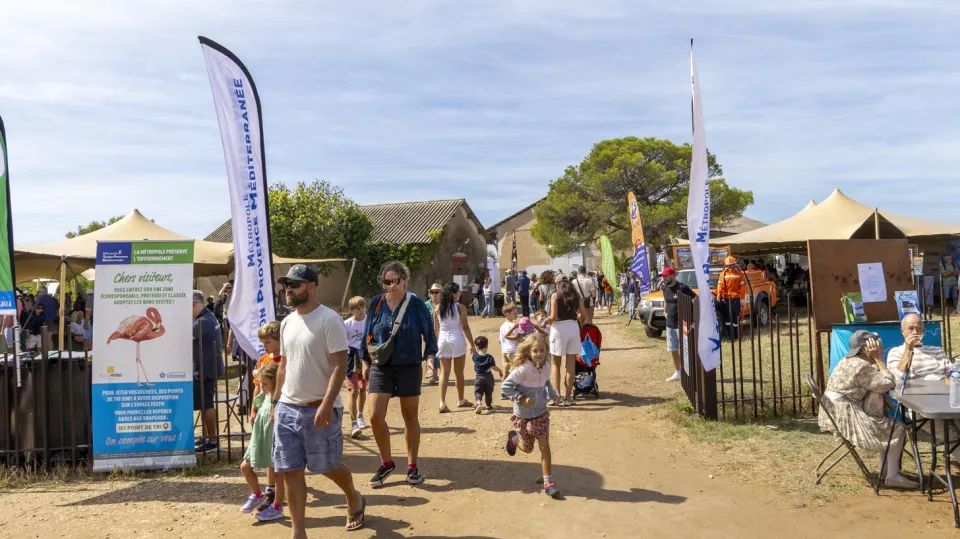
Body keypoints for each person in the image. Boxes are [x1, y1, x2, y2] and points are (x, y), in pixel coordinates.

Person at [272, 264, 365, 534]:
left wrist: (326, 404)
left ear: (311, 287)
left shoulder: (329, 320)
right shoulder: (287, 322)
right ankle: (298, 531)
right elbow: (283, 366)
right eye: (286, 285)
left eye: (294, 285)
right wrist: (276, 403)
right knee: (290, 470)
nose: (288, 290)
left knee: (327, 466)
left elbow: (340, 365)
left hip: (319, 409)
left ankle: (353, 496)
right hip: (288, 408)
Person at [361, 261, 437, 489]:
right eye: (387, 281)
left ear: (404, 280)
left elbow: (429, 334)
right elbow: (367, 335)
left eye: (395, 280)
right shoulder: (376, 303)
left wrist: (430, 359)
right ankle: (387, 463)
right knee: (374, 415)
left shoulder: (416, 305)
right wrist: (364, 362)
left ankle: (412, 466)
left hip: (409, 365)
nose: (391, 285)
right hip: (381, 366)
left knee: (410, 416)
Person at [817, 331, 918, 489]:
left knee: (889, 425)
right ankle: (892, 476)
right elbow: (887, 383)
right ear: (867, 349)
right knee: (896, 427)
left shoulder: (849, 360)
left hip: (836, 412)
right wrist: (878, 359)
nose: (882, 351)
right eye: (879, 348)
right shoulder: (862, 366)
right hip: (845, 415)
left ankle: (886, 472)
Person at [501, 333, 563, 498]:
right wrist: (521, 398)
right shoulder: (522, 370)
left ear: (546, 351)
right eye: (535, 351)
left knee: (545, 446)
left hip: (541, 413)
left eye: (542, 350)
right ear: (529, 352)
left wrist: (552, 393)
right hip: (523, 414)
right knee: (528, 448)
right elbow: (505, 387)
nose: (539, 354)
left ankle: (548, 482)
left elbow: (546, 381)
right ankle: (514, 439)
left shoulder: (547, 366)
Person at [239, 362, 287, 521]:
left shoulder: (280, 398)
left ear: (275, 381)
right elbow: (255, 373)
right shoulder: (265, 395)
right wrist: (259, 374)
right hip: (259, 439)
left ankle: (278, 506)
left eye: (265, 383)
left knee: (278, 474)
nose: (262, 386)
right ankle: (257, 494)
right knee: (245, 467)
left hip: (273, 441)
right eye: (261, 383)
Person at [436, 282, 478, 413]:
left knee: (444, 372)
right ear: (453, 294)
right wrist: (472, 344)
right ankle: (461, 399)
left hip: (443, 339)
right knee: (458, 372)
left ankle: (442, 402)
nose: (460, 293)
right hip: (457, 338)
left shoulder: (437, 308)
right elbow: (465, 327)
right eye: (458, 292)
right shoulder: (460, 307)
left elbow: (436, 329)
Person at [543, 279, 584, 407]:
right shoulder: (576, 296)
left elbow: (553, 317)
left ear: (558, 285)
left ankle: (557, 396)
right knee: (571, 364)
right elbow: (583, 316)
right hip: (573, 327)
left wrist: (545, 321)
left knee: (556, 363)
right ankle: (568, 397)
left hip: (559, 329)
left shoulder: (556, 295)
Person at [192, 291, 221, 452]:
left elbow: (184, 333)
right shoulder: (207, 317)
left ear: (194, 304)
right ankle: (207, 438)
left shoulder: (204, 321)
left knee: (207, 404)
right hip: (207, 368)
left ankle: (213, 441)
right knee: (204, 404)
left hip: (206, 369)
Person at [659, 267, 696, 382]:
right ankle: (678, 372)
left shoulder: (682, 288)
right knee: (673, 349)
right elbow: (666, 300)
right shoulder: (664, 288)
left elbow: (695, 299)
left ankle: (689, 372)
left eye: (666, 276)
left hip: (682, 324)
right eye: (663, 276)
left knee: (686, 349)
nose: (664, 278)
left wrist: (692, 316)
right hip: (670, 324)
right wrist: (665, 312)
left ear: (672, 275)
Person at [343, 296, 369, 439]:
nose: (359, 311)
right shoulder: (347, 324)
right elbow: (343, 342)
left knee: (363, 389)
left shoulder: (369, 321)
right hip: (351, 357)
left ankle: (360, 414)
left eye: (361, 307)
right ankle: (353, 423)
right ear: (351, 310)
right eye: (355, 309)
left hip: (365, 356)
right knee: (353, 390)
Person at [472, 336, 503, 414]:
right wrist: (500, 371)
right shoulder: (489, 357)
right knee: (488, 392)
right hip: (489, 377)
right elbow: (493, 367)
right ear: (487, 346)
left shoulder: (475, 356)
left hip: (479, 377)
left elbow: (474, 357)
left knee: (478, 391)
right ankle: (489, 407)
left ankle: (479, 402)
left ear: (477, 347)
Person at [717, 256, 745, 340]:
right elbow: (720, 285)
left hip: (736, 298)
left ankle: (736, 334)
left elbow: (742, 287)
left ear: (734, 265)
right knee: (728, 317)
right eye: (728, 265)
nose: (729, 267)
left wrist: (742, 298)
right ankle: (730, 334)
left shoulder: (739, 274)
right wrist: (719, 294)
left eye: (731, 265)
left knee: (735, 315)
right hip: (726, 299)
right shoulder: (722, 274)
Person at [423, 282, 443, 383]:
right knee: (432, 352)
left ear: (441, 293)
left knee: (442, 353)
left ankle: (442, 373)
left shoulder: (445, 304)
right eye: (432, 292)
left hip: (443, 333)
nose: (434, 294)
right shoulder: (425, 305)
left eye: (437, 292)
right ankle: (434, 374)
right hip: (430, 334)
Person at [499, 302, 521, 379]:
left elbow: (500, 340)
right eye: (514, 313)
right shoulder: (513, 326)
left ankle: (504, 387)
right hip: (513, 351)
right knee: (516, 371)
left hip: (504, 351)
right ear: (507, 314)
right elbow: (517, 338)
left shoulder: (502, 326)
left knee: (506, 371)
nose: (516, 314)